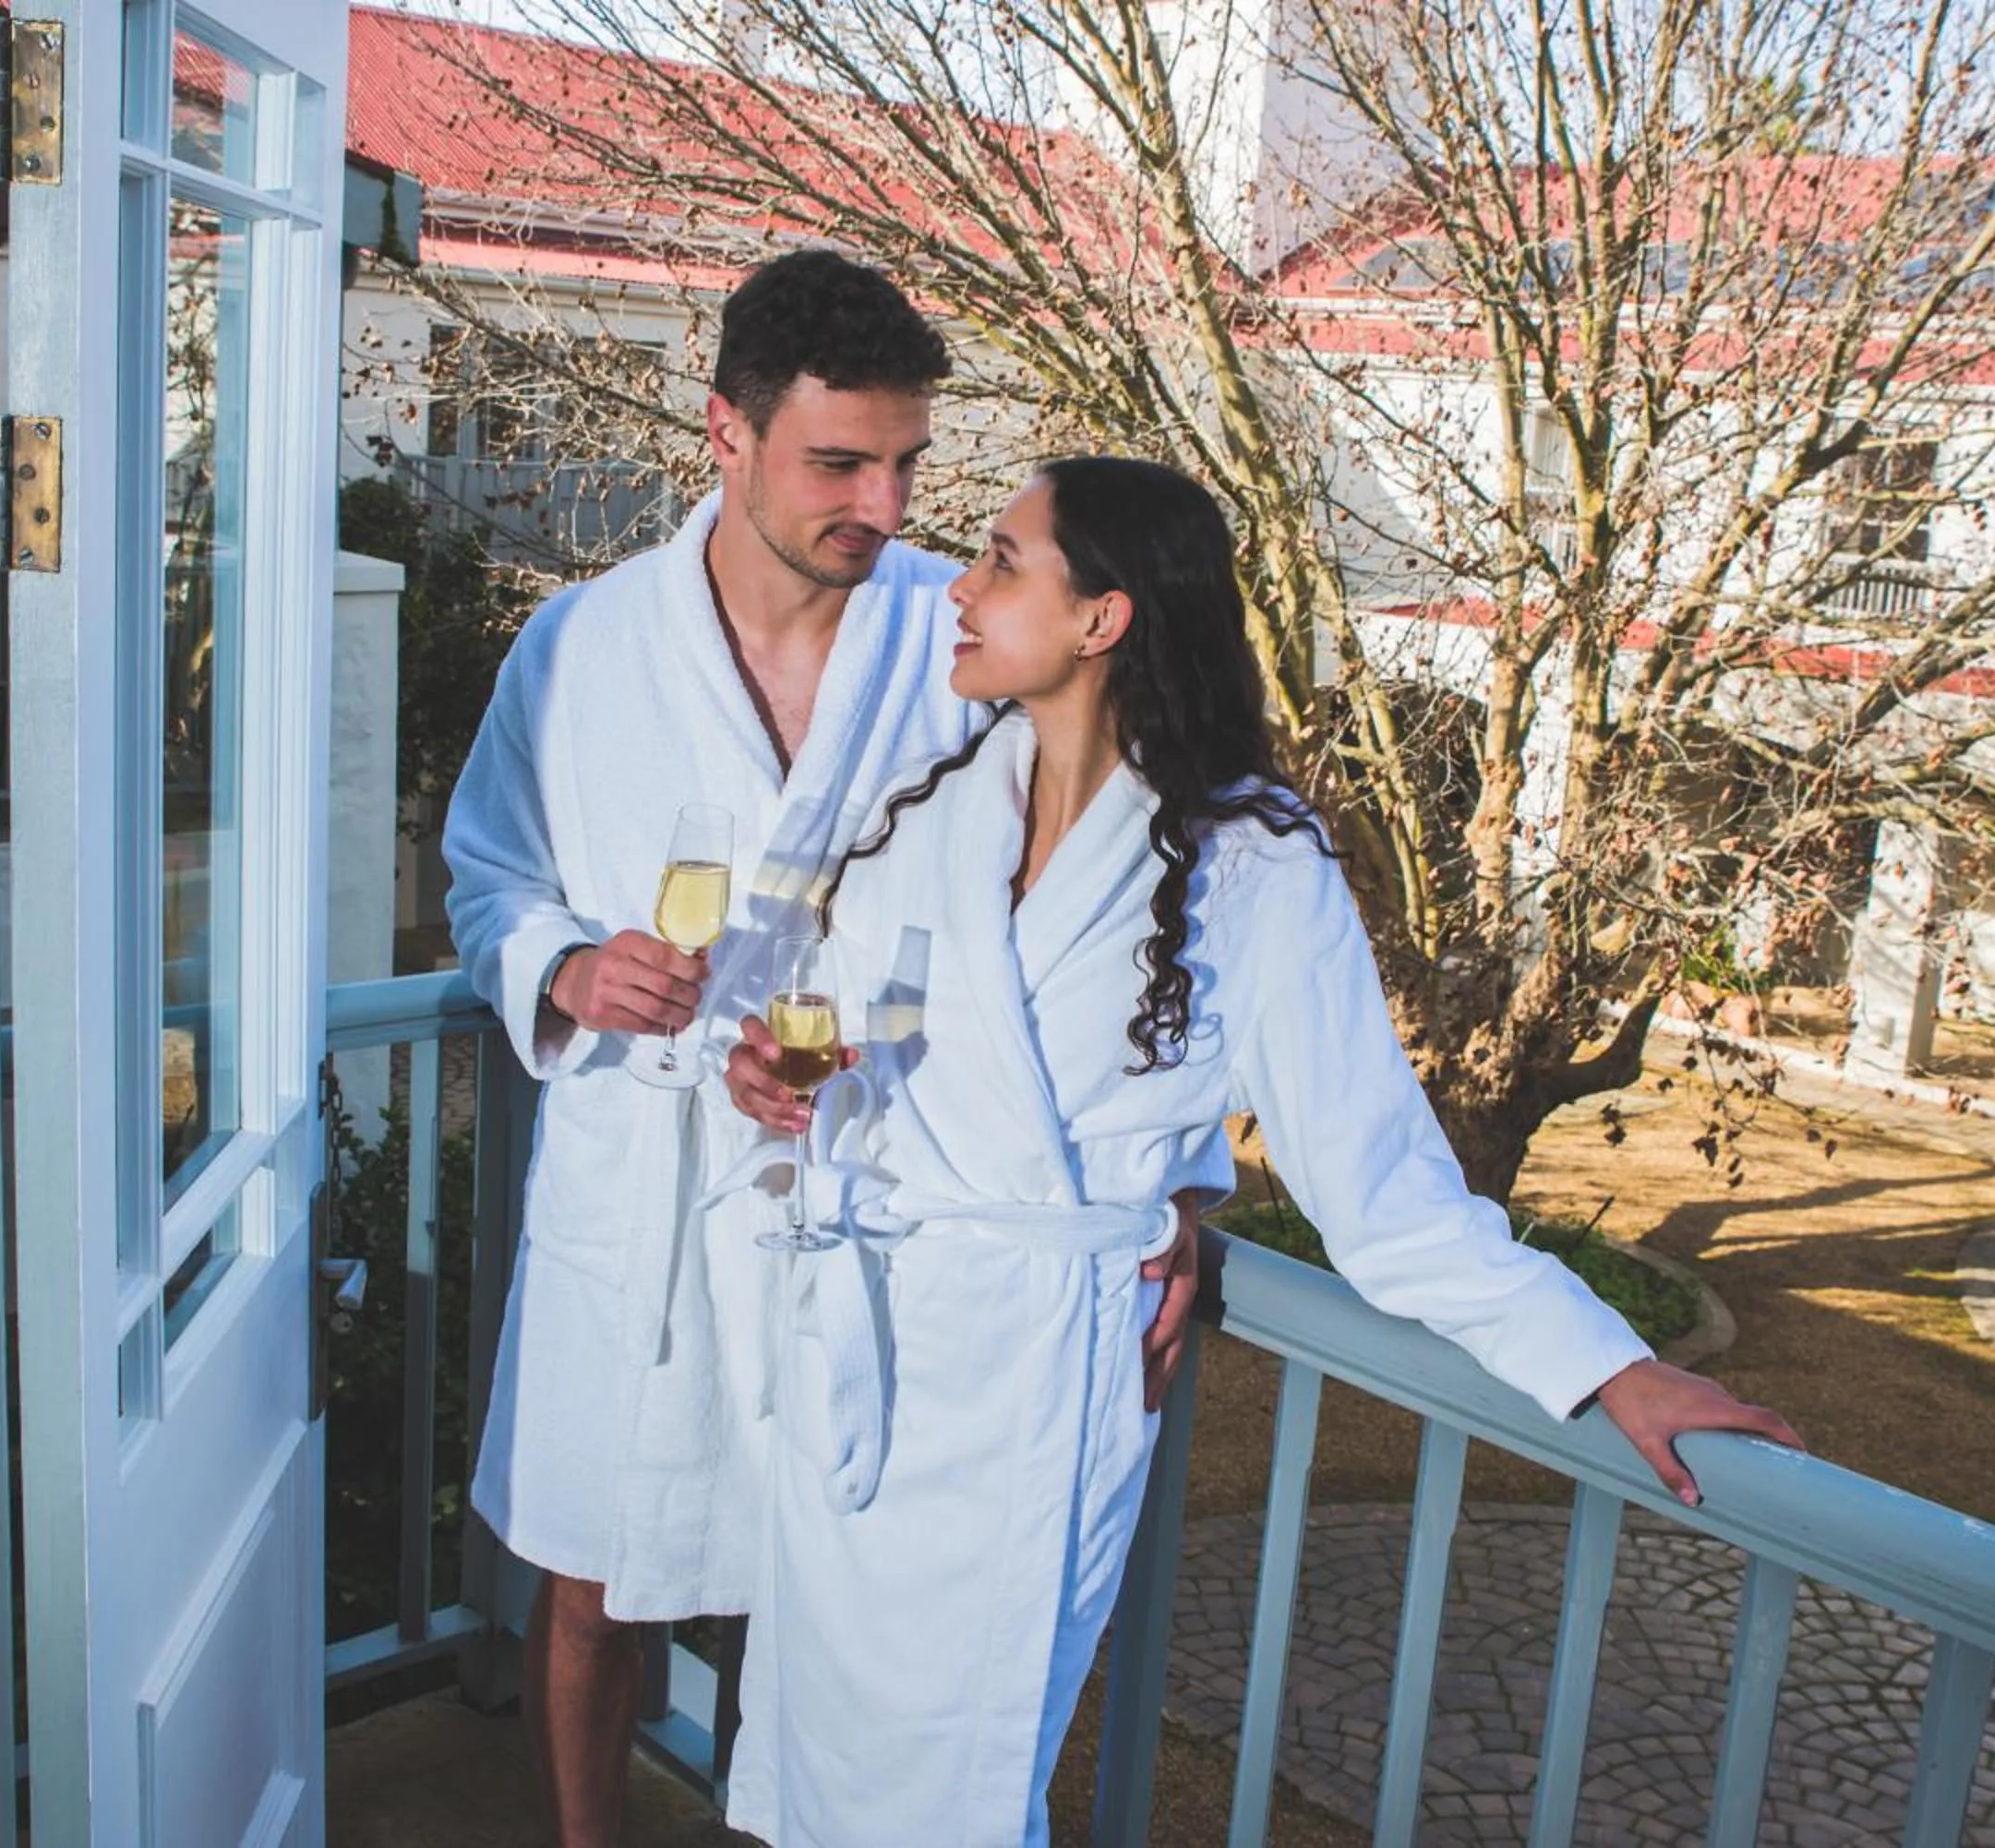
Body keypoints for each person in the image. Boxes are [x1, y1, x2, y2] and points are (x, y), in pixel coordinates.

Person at [717, 457, 1804, 1848]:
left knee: (954, 1792)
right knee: (820, 1762)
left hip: (1027, 1385)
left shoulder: (1253, 865)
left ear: (1104, 617)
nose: (960, 590)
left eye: (997, 560)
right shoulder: (939, 804)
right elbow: (859, 1037)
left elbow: (1386, 1190)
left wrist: (1608, 1361)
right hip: (865, 1345)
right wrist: (783, 1076)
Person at [440, 261, 1201, 1848]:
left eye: (910, 463)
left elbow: (1120, 898)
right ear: (726, 429)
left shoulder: (966, 641)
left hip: (864, 1177)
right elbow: (487, 869)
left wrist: (1178, 1186)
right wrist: (567, 964)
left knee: (834, 1579)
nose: (884, 500)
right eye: (839, 462)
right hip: (638, 1179)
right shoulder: (580, 648)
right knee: (594, 1571)